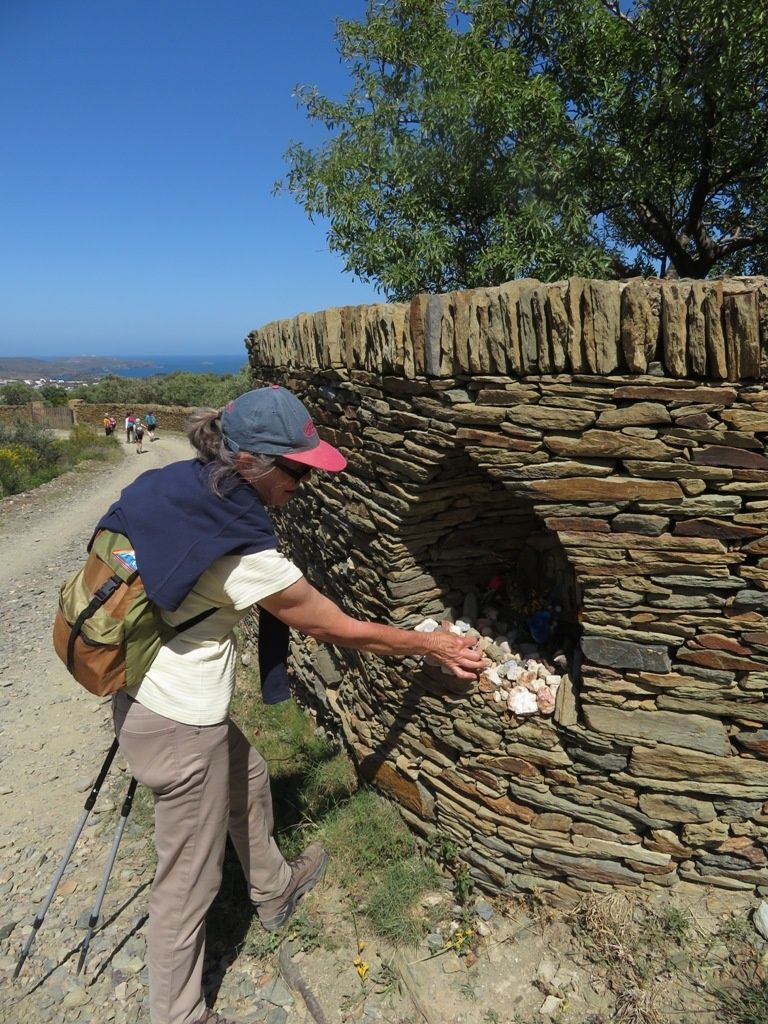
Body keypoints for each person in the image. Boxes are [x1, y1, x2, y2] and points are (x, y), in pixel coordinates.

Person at [97, 385, 486, 1024]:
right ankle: (177, 1013)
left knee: (246, 776)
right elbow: (335, 627)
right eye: (297, 468)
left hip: (146, 693)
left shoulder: (181, 488)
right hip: (174, 719)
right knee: (187, 881)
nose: (305, 482)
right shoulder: (238, 550)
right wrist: (430, 644)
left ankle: (274, 889)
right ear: (248, 462)